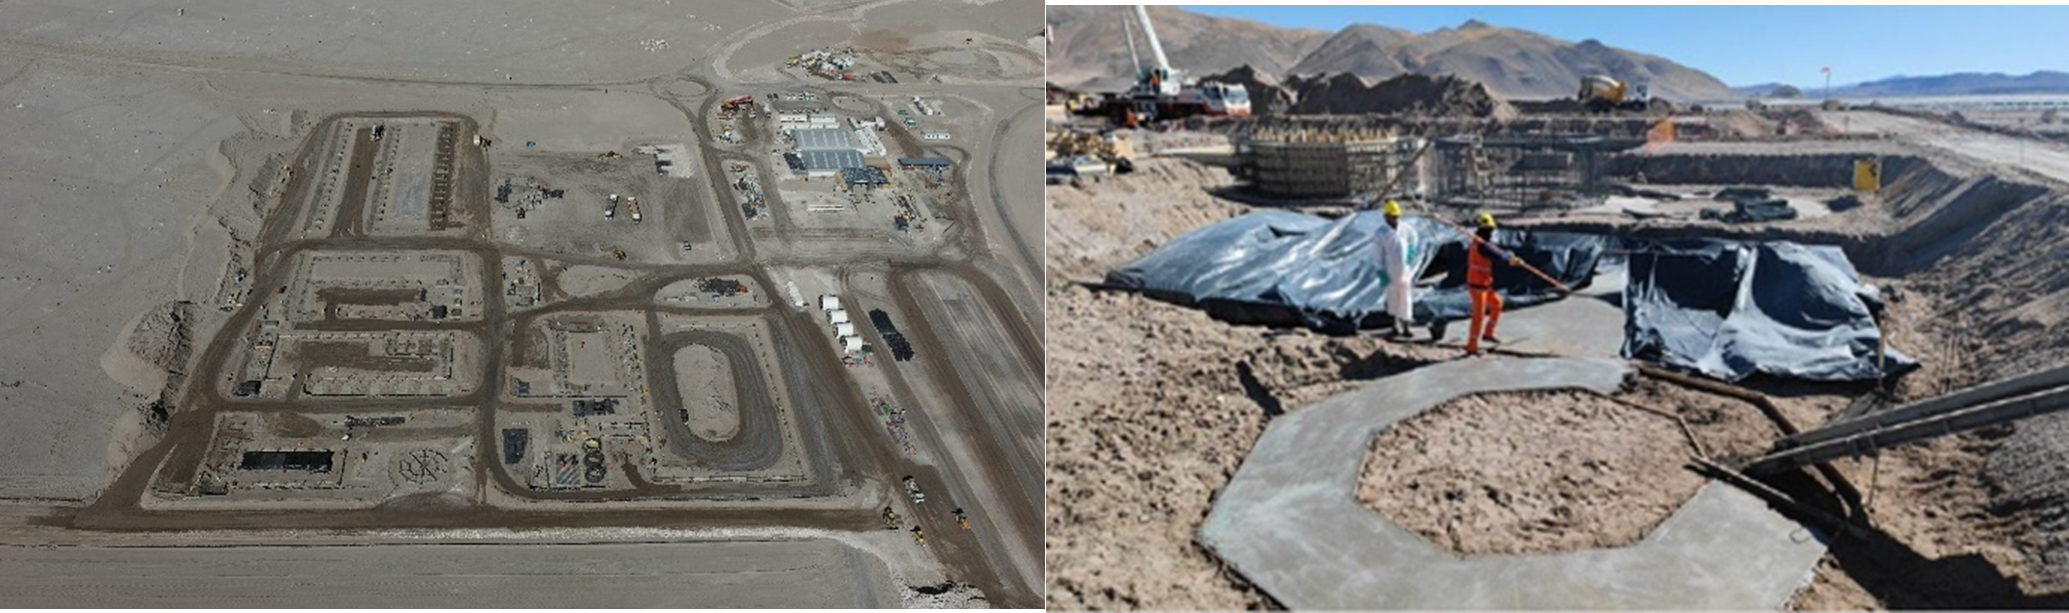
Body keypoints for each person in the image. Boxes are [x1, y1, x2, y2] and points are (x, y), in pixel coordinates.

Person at [1465, 212, 1519, 356]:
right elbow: (1497, 256)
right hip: (1477, 286)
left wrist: (1509, 255)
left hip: (1485, 285)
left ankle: (1488, 333)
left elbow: (1497, 251)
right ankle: (1472, 346)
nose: (1491, 233)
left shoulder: (1483, 243)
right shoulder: (1481, 245)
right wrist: (1509, 259)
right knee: (1478, 317)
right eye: (1489, 230)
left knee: (1497, 304)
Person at [1372, 200, 1417, 339]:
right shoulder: (1381, 233)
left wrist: (1411, 251)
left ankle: (1406, 327)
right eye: (1392, 216)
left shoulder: (1405, 228)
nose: (1395, 219)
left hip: (1404, 270)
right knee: (1392, 299)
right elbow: (1377, 254)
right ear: (1386, 216)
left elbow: (1413, 237)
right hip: (1390, 271)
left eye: (1396, 216)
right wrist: (1380, 271)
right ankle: (1394, 326)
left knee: (1406, 298)